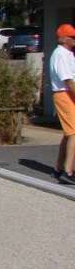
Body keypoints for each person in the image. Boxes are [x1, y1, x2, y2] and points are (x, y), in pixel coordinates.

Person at [50, 24, 75, 185]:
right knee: (74, 133)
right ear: (64, 38)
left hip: (67, 94)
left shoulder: (67, 54)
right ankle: (68, 171)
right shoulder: (60, 54)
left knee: (69, 133)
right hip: (64, 93)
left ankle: (59, 168)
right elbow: (68, 80)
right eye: (72, 37)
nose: (74, 39)